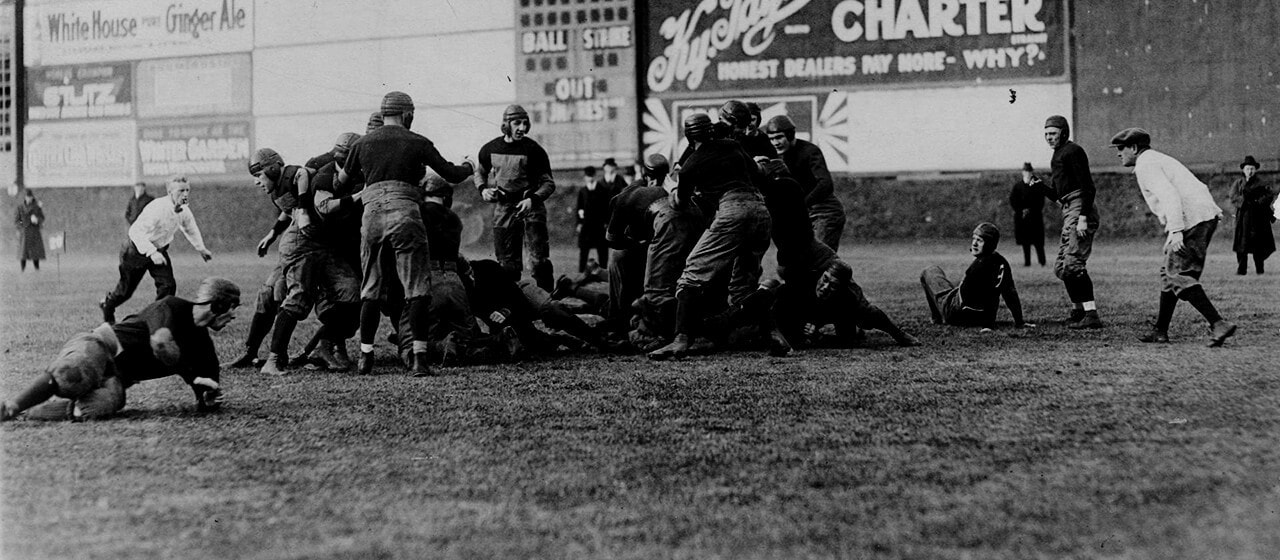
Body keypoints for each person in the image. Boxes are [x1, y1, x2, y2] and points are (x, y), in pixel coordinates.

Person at [335, 91, 475, 376]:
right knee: (417, 288)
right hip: (406, 213)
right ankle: (420, 359)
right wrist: (469, 165)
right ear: (407, 114)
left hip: (372, 215)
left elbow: (341, 183)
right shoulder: (417, 141)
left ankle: (365, 357)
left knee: (370, 288)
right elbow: (451, 173)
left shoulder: (361, 144)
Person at [1, 277, 240, 422]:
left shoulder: (204, 349)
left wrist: (209, 396)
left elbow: (208, 396)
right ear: (217, 304)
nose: (233, 316)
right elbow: (160, 343)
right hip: (100, 346)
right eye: (231, 307)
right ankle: (12, 406)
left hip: (117, 377)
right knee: (73, 374)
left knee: (98, 406)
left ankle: (28, 413)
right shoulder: (171, 307)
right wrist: (191, 374)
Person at [648, 112, 773, 360]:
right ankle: (773, 333)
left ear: (688, 136)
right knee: (743, 284)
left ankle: (680, 340)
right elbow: (759, 174)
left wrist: (673, 187)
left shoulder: (691, 164)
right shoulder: (733, 146)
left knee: (691, 275)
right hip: (761, 212)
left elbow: (679, 204)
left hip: (731, 212)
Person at [1111, 128, 1237, 346]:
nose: (1118, 153)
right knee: (1168, 272)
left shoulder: (1146, 164)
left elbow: (1170, 195)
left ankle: (1218, 323)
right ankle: (1160, 330)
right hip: (1201, 216)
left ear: (1134, 148)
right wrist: (1173, 231)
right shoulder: (1155, 159)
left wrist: (1177, 230)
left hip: (1192, 219)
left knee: (1177, 274)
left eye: (1121, 148)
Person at [244, 148, 361, 375]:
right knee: (293, 297)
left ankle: (318, 347)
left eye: (259, 175)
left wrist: (302, 210)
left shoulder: (293, 175)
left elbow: (302, 175)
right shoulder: (282, 186)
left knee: (351, 292)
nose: (257, 182)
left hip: (321, 244)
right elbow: (292, 203)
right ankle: (272, 359)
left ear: (272, 168)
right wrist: (276, 231)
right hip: (300, 244)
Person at [100, 176, 213, 324]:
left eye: (187, 190)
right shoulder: (157, 208)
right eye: (181, 191)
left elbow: (190, 228)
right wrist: (152, 252)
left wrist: (201, 248)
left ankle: (156, 321)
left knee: (168, 286)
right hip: (135, 252)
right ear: (170, 191)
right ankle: (107, 305)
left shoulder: (184, 210)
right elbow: (135, 232)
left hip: (158, 252)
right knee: (125, 292)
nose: (185, 194)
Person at [1029, 115, 1102, 329]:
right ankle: (1078, 311)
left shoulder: (1073, 151)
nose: (1049, 137)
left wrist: (1083, 217)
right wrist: (1039, 186)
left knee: (1073, 263)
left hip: (1079, 208)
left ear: (1063, 132)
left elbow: (1088, 187)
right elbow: (1058, 195)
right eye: (1046, 134)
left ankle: (1091, 315)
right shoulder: (1058, 155)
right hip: (1069, 208)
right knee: (1062, 267)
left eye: (1053, 133)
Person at [476, 104, 557, 291]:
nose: (522, 128)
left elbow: (549, 183)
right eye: (517, 123)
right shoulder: (490, 149)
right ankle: (514, 302)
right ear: (506, 125)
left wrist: (532, 200)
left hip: (531, 208)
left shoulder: (534, 150)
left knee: (538, 261)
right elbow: (479, 172)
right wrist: (483, 189)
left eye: (525, 123)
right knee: (506, 263)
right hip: (504, 209)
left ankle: (548, 300)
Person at [605, 153, 673, 337]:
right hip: (648, 247)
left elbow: (611, 238)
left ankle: (620, 321)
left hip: (647, 246)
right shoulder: (666, 190)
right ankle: (621, 321)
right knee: (621, 259)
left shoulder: (630, 194)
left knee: (621, 261)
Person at [921, 223, 1030, 330]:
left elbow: (989, 295)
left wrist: (988, 326)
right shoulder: (1002, 262)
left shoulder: (979, 265)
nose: (974, 244)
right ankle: (939, 317)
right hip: (979, 317)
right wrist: (1019, 321)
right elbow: (1010, 293)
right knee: (950, 288)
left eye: (979, 240)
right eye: (974, 239)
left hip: (955, 313)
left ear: (989, 244)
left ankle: (937, 318)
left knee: (929, 271)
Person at [764, 115, 847, 252]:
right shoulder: (776, 156)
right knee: (795, 260)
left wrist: (801, 205)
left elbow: (826, 184)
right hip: (802, 213)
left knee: (818, 258)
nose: (775, 143)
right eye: (771, 139)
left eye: (779, 137)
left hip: (824, 211)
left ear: (790, 135)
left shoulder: (809, 151)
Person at [1229, 155, 1275, 274]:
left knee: (1258, 244)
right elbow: (1233, 196)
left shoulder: (1262, 183)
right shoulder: (1238, 183)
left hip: (1258, 217)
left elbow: (1269, 195)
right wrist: (1244, 201)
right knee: (1242, 244)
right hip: (1243, 217)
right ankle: (1241, 269)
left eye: (1252, 169)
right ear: (1243, 170)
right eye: (1248, 169)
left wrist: (1258, 202)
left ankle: (1260, 269)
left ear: (1255, 170)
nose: (1250, 171)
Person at [1009, 162, 1047, 267]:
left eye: (1029, 171)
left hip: (1035, 218)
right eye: (1026, 171)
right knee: (1025, 242)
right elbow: (1013, 200)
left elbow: (1040, 201)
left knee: (1038, 242)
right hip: (1023, 218)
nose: (1027, 173)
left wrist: (1031, 210)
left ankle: (1042, 261)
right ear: (1023, 172)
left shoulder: (1037, 186)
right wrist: (1021, 210)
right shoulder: (1018, 187)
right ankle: (1027, 262)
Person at [575, 165, 611, 272]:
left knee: (602, 250)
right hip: (586, 226)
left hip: (599, 225)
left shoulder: (603, 190)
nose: (590, 178)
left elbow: (607, 208)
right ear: (585, 177)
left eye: (591, 176)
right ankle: (581, 273)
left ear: (595, 176)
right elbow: (579, 208)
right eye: (588, 176)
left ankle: (603, 272)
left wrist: (607, 222)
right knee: (584, 251)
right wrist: (579, 223)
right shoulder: (582, 191)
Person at [14, 188, 46, 272]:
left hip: (34, 232)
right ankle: (22, 269)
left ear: (32, 198)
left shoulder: (37, 207)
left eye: (30, 197)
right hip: (24, 233)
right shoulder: (20, 207)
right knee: (23, 253)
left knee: (35, 253)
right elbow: (17, 221)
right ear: (25, 198)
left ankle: (37, 268)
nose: (29, 199)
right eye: (27, 197)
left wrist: (37, 220)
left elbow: (42, 218)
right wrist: (22, 224)